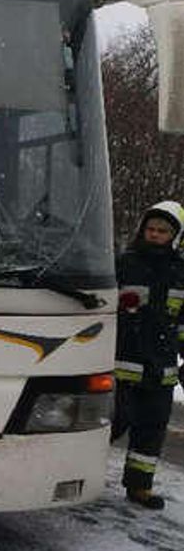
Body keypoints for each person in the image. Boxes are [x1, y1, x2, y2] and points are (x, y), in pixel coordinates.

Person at [112, 200, 184, 509]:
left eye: (163, 231)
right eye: (151, 229)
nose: (155, 235)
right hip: (121, 365)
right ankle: (70, 474)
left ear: (176, 236)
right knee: (110, 424)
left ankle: (139, 487)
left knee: (152, 430)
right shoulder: (124, 263)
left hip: (161, 368)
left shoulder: (180, 272)